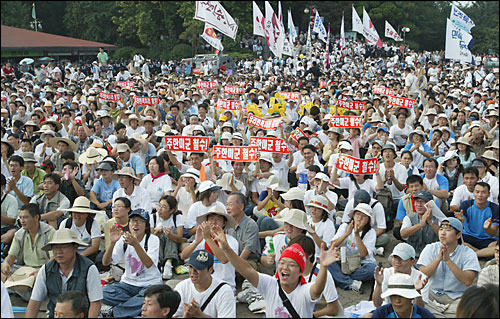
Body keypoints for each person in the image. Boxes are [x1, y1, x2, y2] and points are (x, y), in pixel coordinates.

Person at [215, 226, 340, 318]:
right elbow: (247, 270)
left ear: (300, 272)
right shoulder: (271, 284)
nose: (285, 267)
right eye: (282, 262)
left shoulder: (304, 290)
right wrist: (226, 248)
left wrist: (324, 267)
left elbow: (317, 290)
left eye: (291, 265)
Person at [25, 228, 103, 318]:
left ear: (75, 248)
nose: (58, 252)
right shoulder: (46, 270)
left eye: (63, 247)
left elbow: (96, 303)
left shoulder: (89, 269)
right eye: (55, 247)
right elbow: (34, 302)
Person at [101, 209, 162, 318]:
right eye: (133, 221)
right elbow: (105, 262)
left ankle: (115, 312)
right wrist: (112, 243)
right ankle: (136, 306)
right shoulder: (123, 240)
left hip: (149, 284)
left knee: (154, 296)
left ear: (146, 226)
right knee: (103, 292)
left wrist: (135, 244)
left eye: (140, 221)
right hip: (127, 284)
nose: (135, 224)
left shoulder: (153, 239)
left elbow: (148, 263)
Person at [417, 217, 481, 318]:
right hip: (432, 295)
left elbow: (468, 281)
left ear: (459, 235)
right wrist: (438, 259)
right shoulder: (430, 248)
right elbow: (423, 273)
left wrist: (448, 261)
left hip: (457, 298)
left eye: (448, 230)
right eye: (441, 229)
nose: (443, 233)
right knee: (416, 304)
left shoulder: (468, 253)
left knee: (471, 309)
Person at [1, 203, 56, 300]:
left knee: (38, 281)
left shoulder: (50, 232)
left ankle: (14, 288)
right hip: (25, 270)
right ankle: (19, 288)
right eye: (21, 217)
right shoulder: (19, 234)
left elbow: (53, 259)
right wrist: (6, 264)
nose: (22, 221)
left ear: (36, 217)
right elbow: (11, 257)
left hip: (44, 269)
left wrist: (40, 271)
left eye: (25, 217)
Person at [180, 205, 239, 292]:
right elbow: (184, 256)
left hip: (224, 285)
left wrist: (208, 238)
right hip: (204, 285)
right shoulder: (202, 240)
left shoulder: (231, 241)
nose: (214, 222)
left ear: (224, 223)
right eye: (211, 219)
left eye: (218, 219)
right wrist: (196, 241)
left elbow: (224, 259)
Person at [328, 203, 378, 294]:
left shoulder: (371, 232)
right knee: (329, 261)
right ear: (353, 215)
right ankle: (351, 283)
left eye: (364, 216)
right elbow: (333, 244)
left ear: (368, 220)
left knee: (372, 270)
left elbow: (364, 254)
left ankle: (340, 278)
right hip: (345, 261)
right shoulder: (344, 226)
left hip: (362, 264)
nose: (360, 218)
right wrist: (346, 234)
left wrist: (356, 235)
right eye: (358, 214)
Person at [173, 249, 236, 318]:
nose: (193, 272)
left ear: (210, 270)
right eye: (191, 267)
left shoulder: (224, 291)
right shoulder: (182, 287)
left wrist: (200, 315)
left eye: (198, 268)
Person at [372, 243, 430, 311]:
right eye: (395, 257)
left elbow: (420, 310)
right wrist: (379, 285)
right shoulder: (384, 274)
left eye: (402, 258)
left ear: (413, 262)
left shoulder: (421, 279)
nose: (397, 261)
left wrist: (418, 292)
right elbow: (377, 304)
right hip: (388, 311)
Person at [455, 182, 499, 258]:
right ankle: (483, 254)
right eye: (477, 192)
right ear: (473, 193)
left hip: (487, 239)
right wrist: (461, 221)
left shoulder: (495, 208)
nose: (480, 195)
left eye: (483, 192)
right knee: (459, 243)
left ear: (488, 194)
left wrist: (487, 228)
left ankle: (474, 254)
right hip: (468, 237)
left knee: (496, 247)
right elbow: (459, 228)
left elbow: (493, 233)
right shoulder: (466, 205)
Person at [150, 195, 184, 280]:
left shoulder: (177, 217)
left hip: (173, 242)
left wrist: (170, 235)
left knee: (172, 232)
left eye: (164, 207)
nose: (160, 209)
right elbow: (150, 238)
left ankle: (168, 263)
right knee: (158, 237)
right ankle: (159, 263)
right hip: (159, 242)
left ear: (172, 210)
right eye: (159, 205)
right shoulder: (153, 217)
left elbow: (180, 238)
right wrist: (156, 234)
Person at [371, 273, 435, 318]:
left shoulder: (425, 315)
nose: (397, 300)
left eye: (402, 296)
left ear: (411, 297)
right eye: (393, 295)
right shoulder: (381, 314)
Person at [59, 196, 102, 262]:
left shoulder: (93, 224)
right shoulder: (65, 223)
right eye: (75, 212)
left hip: (87, 254)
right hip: (69, 253)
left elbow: (95, 246)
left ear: (87, 214)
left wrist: (80, 256)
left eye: (81, 213)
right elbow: (60, 242)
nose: (77, 216)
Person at [400, 190, 441, 257]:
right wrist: (420, 225)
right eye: (417, 201)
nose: (419, 205)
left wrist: (430, 222)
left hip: (432, 256)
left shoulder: (438, 219)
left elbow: (444, 237)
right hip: (412, 255)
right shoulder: (409, 218)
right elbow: (403, 234)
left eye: (422, 202)